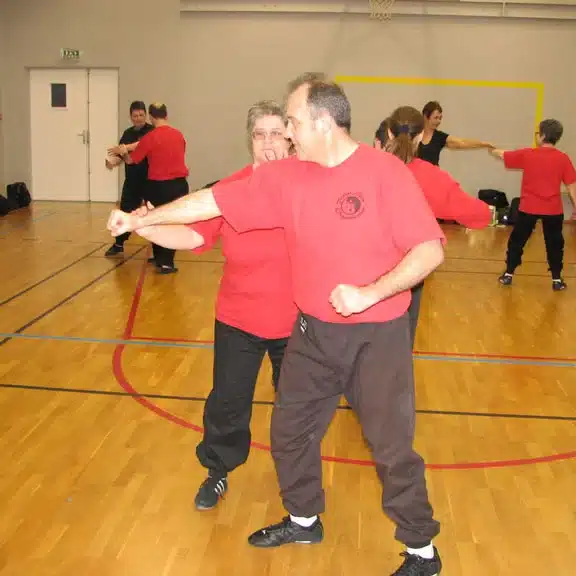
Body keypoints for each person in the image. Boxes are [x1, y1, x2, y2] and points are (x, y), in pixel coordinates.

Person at [108, 73, 446, 576]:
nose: (286, 133)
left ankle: (422, 550)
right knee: (289, 432)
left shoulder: (384, 173)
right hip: (311, 331)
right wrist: (140, 221)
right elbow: (212, 201)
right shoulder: (288, 176)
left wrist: (371, 292)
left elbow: (429, 250)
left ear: (323, 123)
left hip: (376, 336)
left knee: (391, 446)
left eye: (291, 122)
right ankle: (304, 518)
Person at [133, 100, 297, 510]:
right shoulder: (230, 190)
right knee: (227, 403)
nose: (268, 143)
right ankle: (218, 471)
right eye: (259, 135)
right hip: (239, 319)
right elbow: (192, 236)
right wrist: (145, 226)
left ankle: (299, 484)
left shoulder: (308, 187)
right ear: (250, 140)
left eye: (277, 134)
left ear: (292, 138)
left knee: (298, 408)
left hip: (297, 321)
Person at [377, 106, 492, 346]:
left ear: (388, 133)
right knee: (399, 345)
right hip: (408, 273)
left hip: (360, 273)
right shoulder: (430, 176)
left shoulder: (363, 167)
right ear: (420, 136)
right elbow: (479, 215)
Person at [490, 118, 576, 291]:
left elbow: (503, 154)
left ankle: (508, 274)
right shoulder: (563, 158)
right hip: (553, 210)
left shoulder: (528, 154)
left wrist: (491, 148)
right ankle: (557, 280)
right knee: (555, 244)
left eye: (537, 133)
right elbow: (572, 186)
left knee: (517, 241)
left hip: (529, 208)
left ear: (542, 136)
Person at [108, 102, 189, 274]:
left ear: (151, 117)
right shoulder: (179, 134)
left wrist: (124, 152)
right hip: (180, 185)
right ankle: (163, 260)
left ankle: (164, 261)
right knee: (171, 222)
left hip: (159, 186)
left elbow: (131, 160)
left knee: (158, 221)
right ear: (166, 115)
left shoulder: (150, 137)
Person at [104, 101, 154, 257]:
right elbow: (120, 155)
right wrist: (112, 161)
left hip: (151, 180)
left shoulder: (152, 131)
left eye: (141, 115)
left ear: (146, 115)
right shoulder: (127, 133)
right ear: (131, 117)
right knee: (125, 211)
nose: (138, 118)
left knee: (154, 213)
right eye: (135, 116)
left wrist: (126, 148)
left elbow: (141, 145)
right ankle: (119, 244)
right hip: (132, 180)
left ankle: (158, 251)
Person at [418, 101, 494, 166]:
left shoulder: (439, 137)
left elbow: (462, 142)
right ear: (425, 116)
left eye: (440, 118)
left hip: (432, 177)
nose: (439, 121)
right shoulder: (414, 133)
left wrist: (485, 144)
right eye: (436, 118)